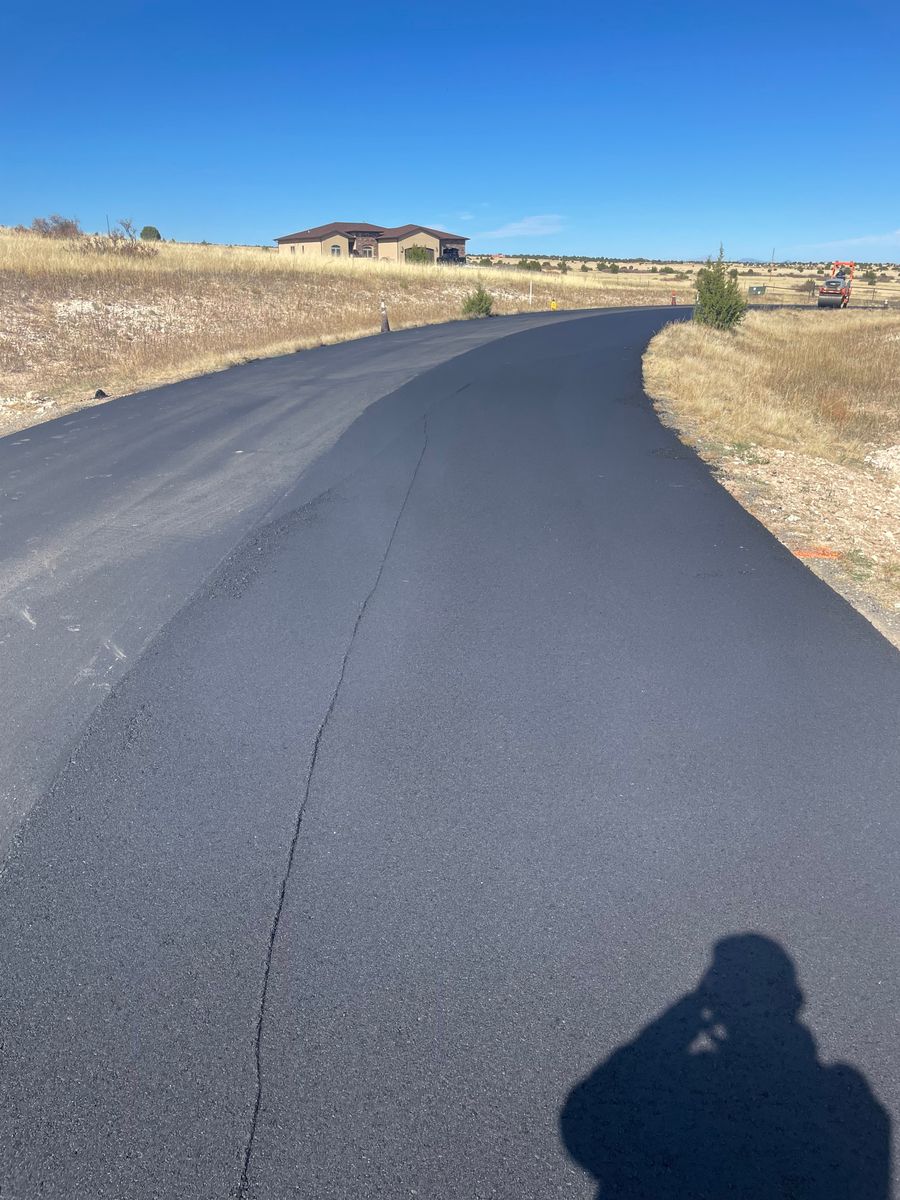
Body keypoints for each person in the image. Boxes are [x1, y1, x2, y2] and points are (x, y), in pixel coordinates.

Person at [560, 934, 889, 1200]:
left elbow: (588, 1113)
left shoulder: (688, 1084)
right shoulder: (851, 1102)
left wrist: (686, 1015)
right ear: (793, 1000)